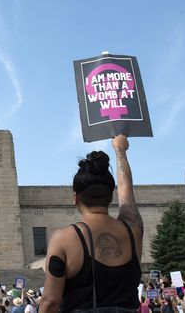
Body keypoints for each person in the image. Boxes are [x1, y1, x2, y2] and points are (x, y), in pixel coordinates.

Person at [40, 134, 143, 313]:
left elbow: (50, 301)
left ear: (75, 197)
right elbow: (127, 194)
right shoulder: (133, 229)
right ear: (111, 195)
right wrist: (120, 151)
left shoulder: (64, 238)